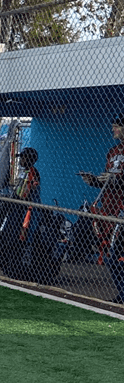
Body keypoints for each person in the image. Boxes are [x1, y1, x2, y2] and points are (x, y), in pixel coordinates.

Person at [79, 116, 124, 304]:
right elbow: (109, 183)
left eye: (117, 126)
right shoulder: (112, 151)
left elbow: (116, 181)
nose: (113, 129)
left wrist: (115, 180)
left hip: (122, 211)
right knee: (110, 255)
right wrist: (95, 182)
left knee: (114, 256)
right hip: (110, 208)